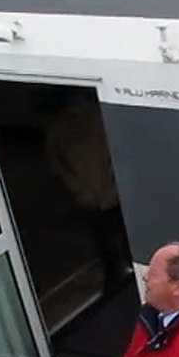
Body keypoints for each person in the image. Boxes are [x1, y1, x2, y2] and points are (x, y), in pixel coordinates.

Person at [44, 89, 132, 294]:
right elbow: (54, 161)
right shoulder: (60, 129)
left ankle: (131, 275)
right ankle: (114, 279)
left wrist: (115, 183)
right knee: (104, 242)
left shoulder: (101, 122)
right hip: (88, 197)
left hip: (112, 194)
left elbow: (118, 154)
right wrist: (76, 187)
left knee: (125, 238)